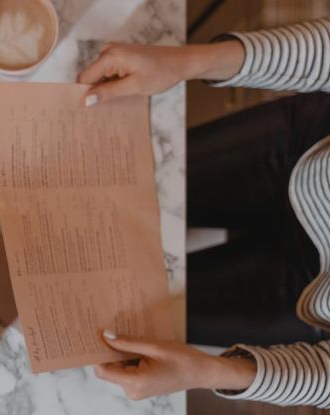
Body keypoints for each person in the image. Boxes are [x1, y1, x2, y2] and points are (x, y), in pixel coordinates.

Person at [78, 18, 330, 407]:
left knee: (108, 321)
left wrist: (206, 370)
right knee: (96, 191)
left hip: (305, 300)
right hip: (303, 151)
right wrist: (188, 63)